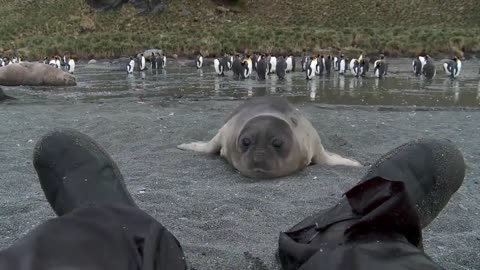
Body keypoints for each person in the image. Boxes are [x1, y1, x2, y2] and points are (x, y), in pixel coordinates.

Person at [0, 129, 465, 270]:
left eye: (276, 150)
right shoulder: (239, 139)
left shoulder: (301, 140)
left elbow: (310, 146)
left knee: (84, 249)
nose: (259, 158)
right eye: (245, 147)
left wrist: (324, 157)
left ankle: (113, 232)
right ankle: (355, 239)